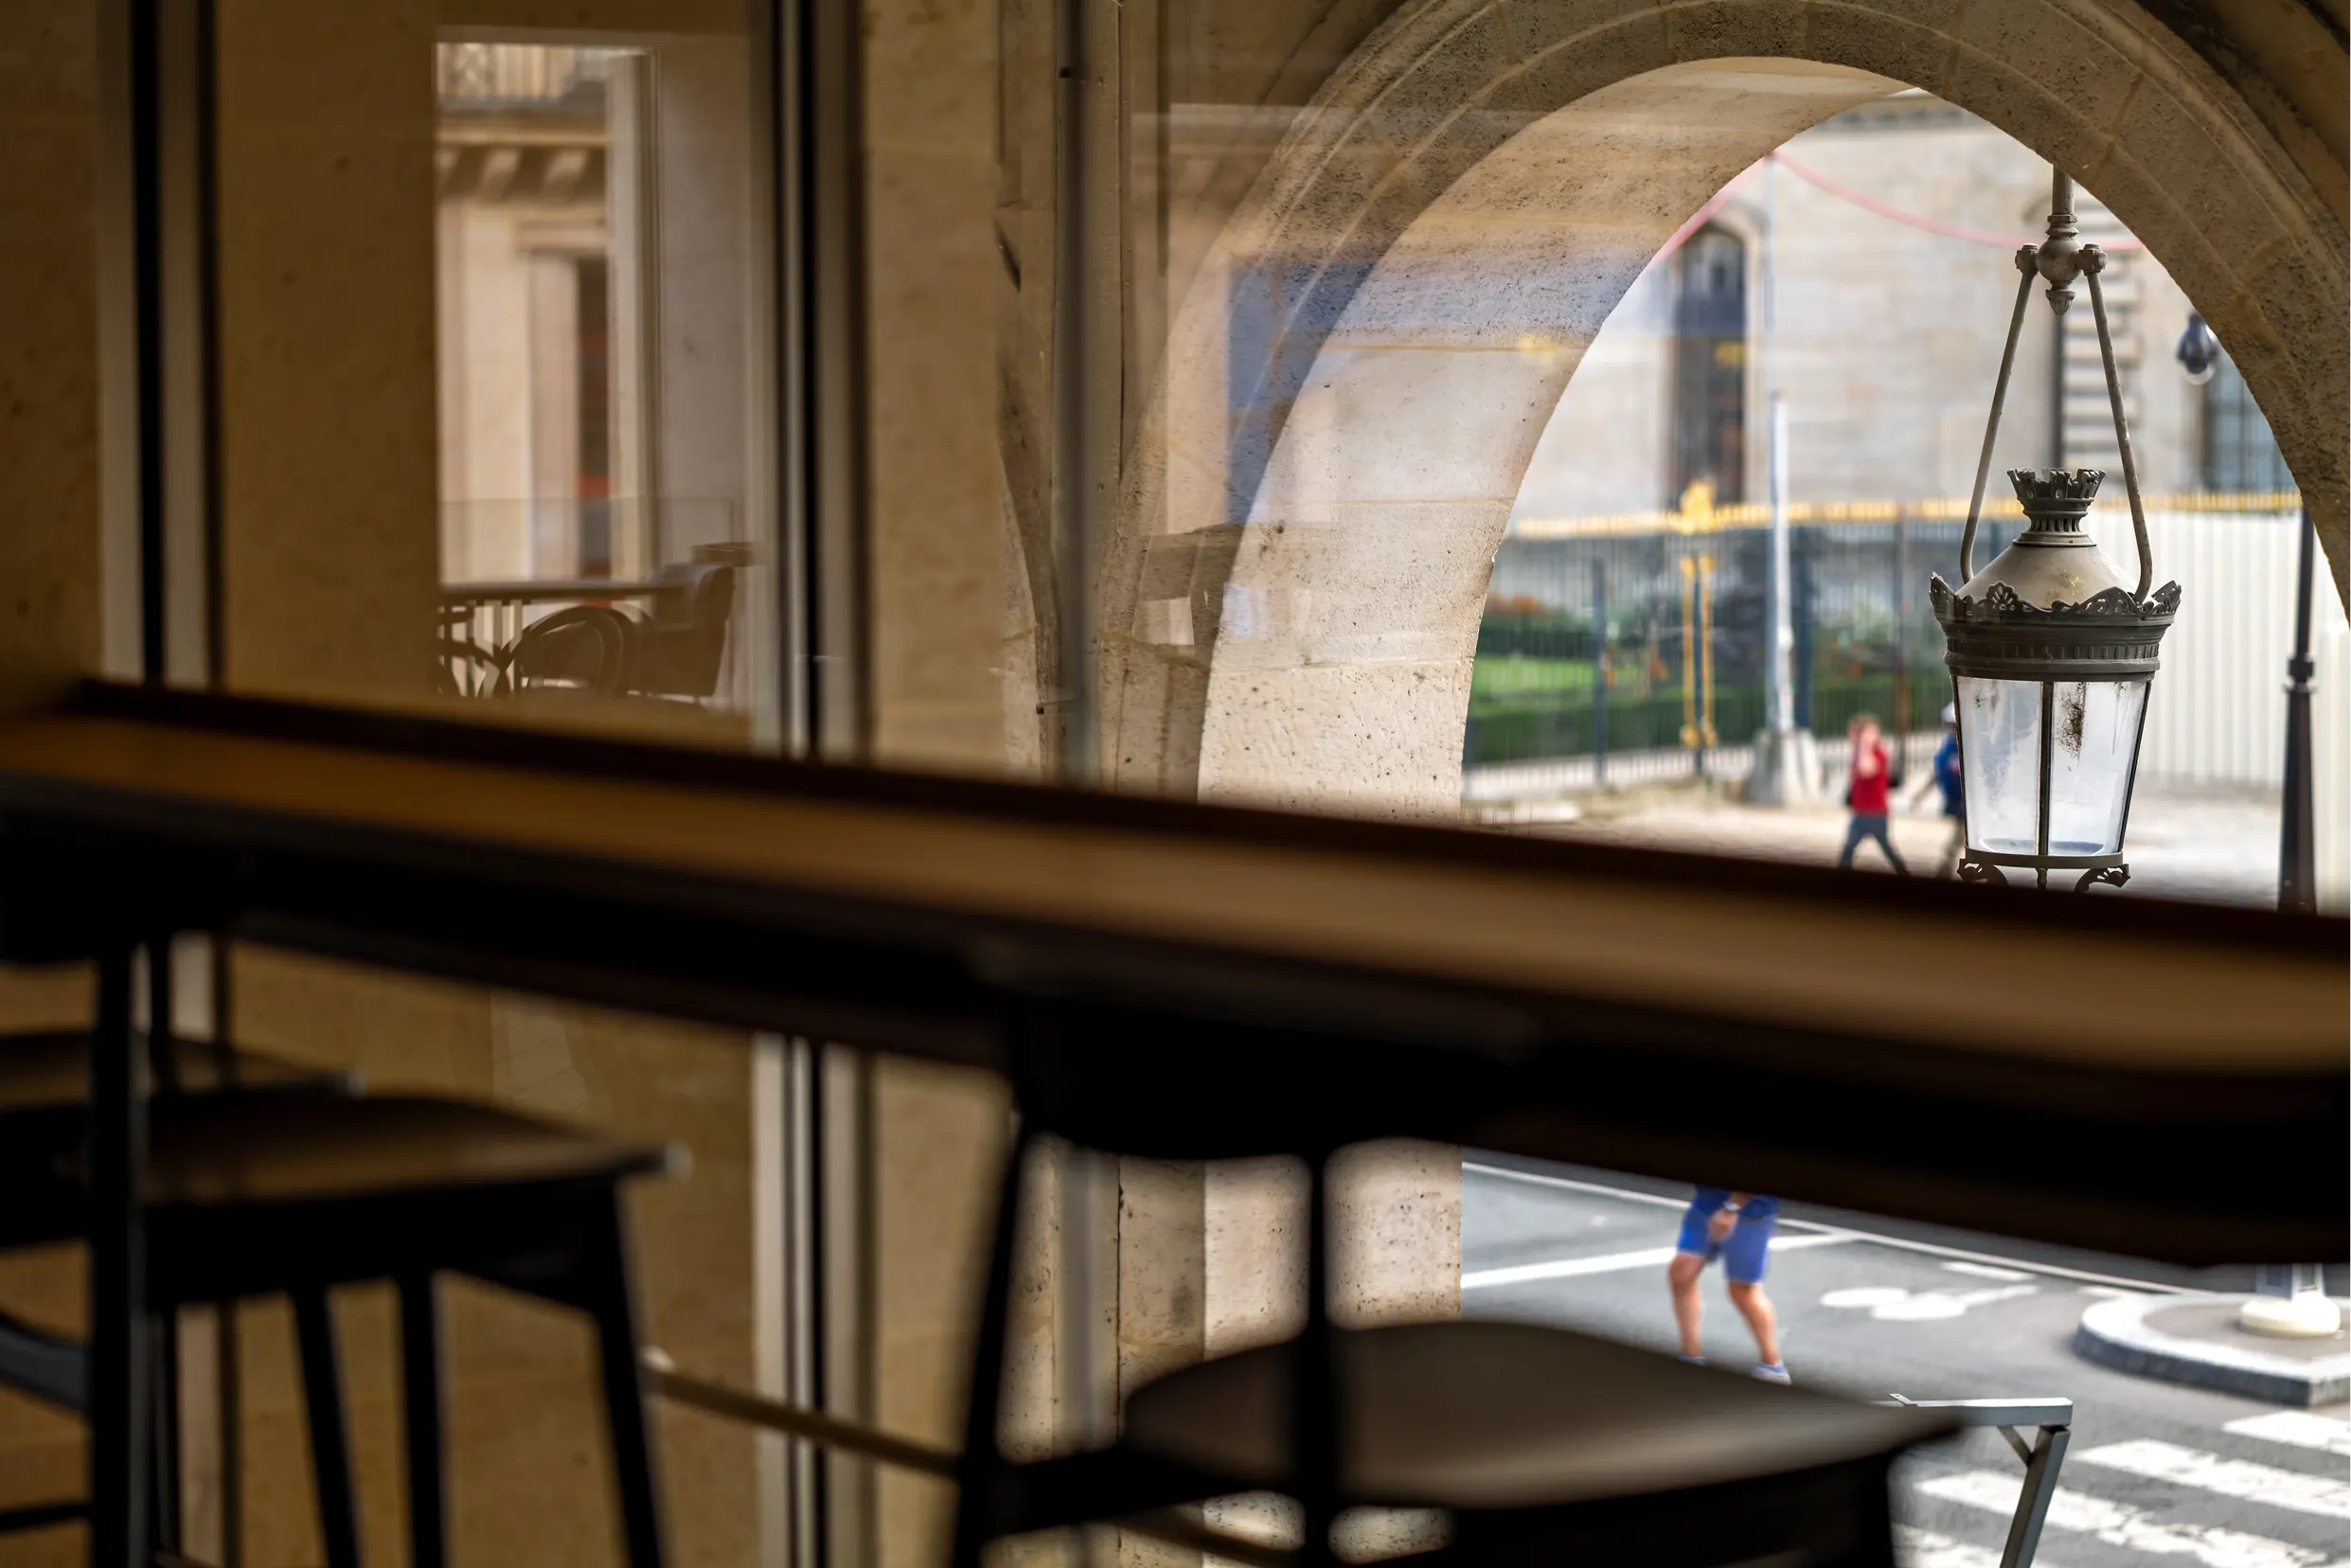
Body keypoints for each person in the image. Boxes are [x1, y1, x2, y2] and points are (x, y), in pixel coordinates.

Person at [1667, 1187, 1790, 1382]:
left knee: (1742, 1290)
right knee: (1682, 1274)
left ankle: (1772, 1365)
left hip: (1749, 1210)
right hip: (1706, 1203)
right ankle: (1691, 1357)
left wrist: (1731, 1208)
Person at [1837, 713, 1909, 873]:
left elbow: (1866, 770)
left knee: (1885, 848)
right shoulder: (1860, 753)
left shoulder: (1876, 752)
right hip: (1861, 811)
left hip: (1875, 813)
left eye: (1856, 732)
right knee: (1848, 849)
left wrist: (1865, 744)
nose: (1850, 735)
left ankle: (1904, 873)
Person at [1907, 703, 1965, 876]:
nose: (1951, 729)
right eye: (1950, 725)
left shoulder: (1970, 746)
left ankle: (1947, 867)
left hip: (1969, 803)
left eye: (1953, 725)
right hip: (1956, 801)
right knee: (1961, 836)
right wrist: (1920, 796)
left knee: (1962, 837)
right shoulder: (1948, 747)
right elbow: (1938, 773)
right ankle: (1947, 867)